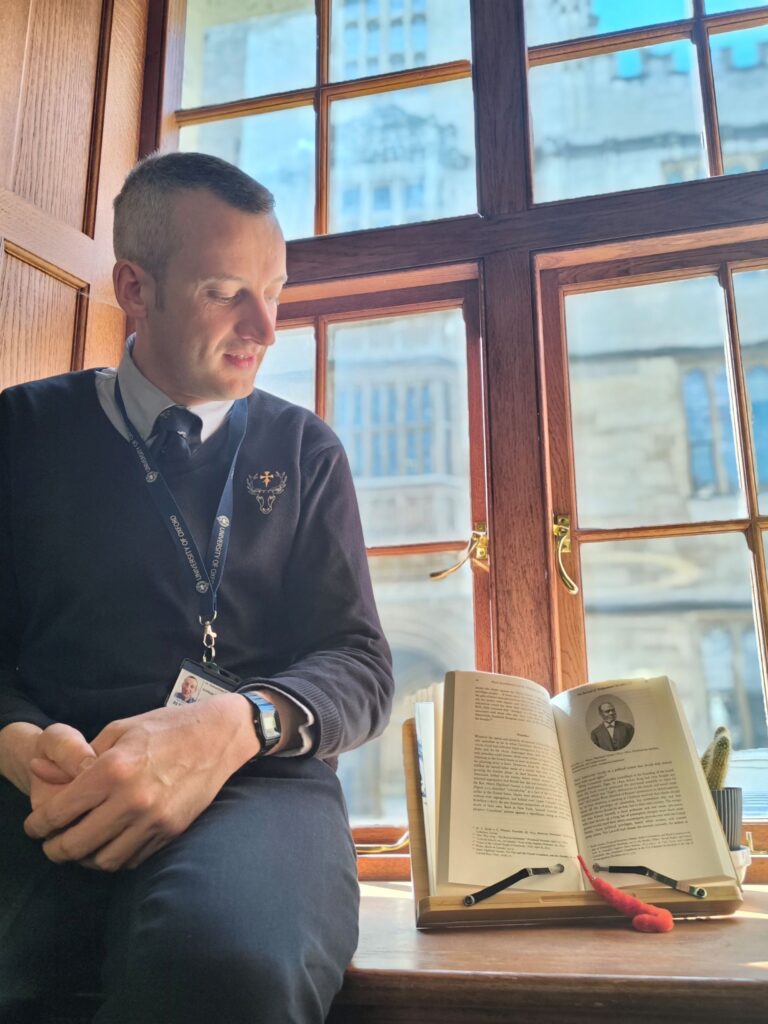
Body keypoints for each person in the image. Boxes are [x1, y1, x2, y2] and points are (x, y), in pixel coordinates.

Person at [0, 152, 394, 1024]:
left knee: (224, 971)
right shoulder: (17, 434)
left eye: (276, 290)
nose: (266, 325)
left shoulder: (306, 450)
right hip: (43, 783)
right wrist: (14, 741)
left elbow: (361, 664)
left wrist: (237, 721)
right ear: (135, 290)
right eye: (226, 291)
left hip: (256, 782)